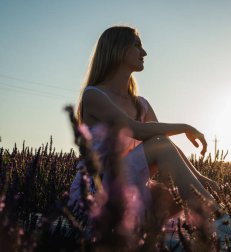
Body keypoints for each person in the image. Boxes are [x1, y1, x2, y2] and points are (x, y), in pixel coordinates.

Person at [68, 25, 220, 224]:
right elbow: (135, 130)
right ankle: (220, 221)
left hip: (129, 187)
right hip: (95, 191)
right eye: (137, 45)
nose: (144, 52)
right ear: (117, 49)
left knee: (172, 196)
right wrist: (185, 127)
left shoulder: (141, 104)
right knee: (162, 151)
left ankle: (211, 221)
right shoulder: (94, 95)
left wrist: (199, 177)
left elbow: (164, 144)